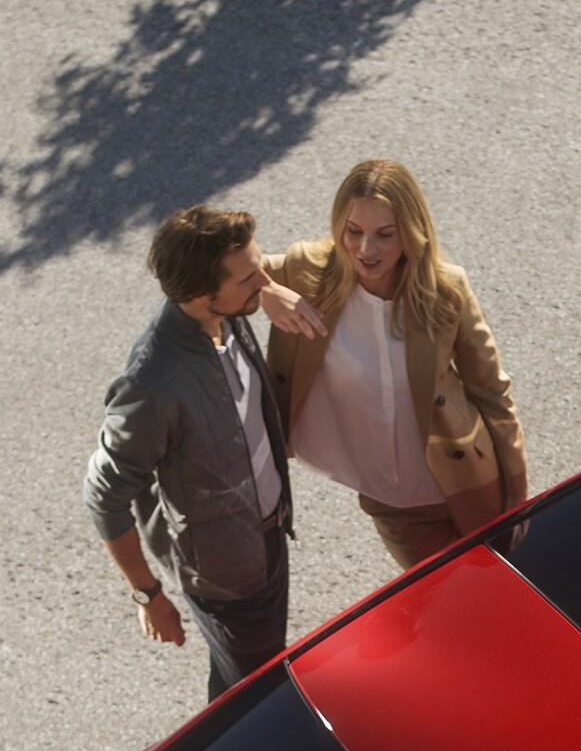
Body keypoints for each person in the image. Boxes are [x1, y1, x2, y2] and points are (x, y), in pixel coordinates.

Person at [85, 205, 321, 702]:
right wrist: (149, 595)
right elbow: (104, 497)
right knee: (258, 692)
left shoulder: (227, 312)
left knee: (243, 676)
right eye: (249, 278)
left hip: (269, 533)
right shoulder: (152, 386)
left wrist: (266, 291)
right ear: (199, 294)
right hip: (227, 576)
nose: (262, 280)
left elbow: (251, 283)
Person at [262, 159, 529, 572]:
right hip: (394, 502)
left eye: (385, 235)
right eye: (354, 232)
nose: (366, 250)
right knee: (451, 602)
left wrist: (517, 491)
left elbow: (491, 391)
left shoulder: (445, 289)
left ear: (411, 232)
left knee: (508, 591)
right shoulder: (307, 270)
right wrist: (265, 290)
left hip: (470, 480)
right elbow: (218, 269)